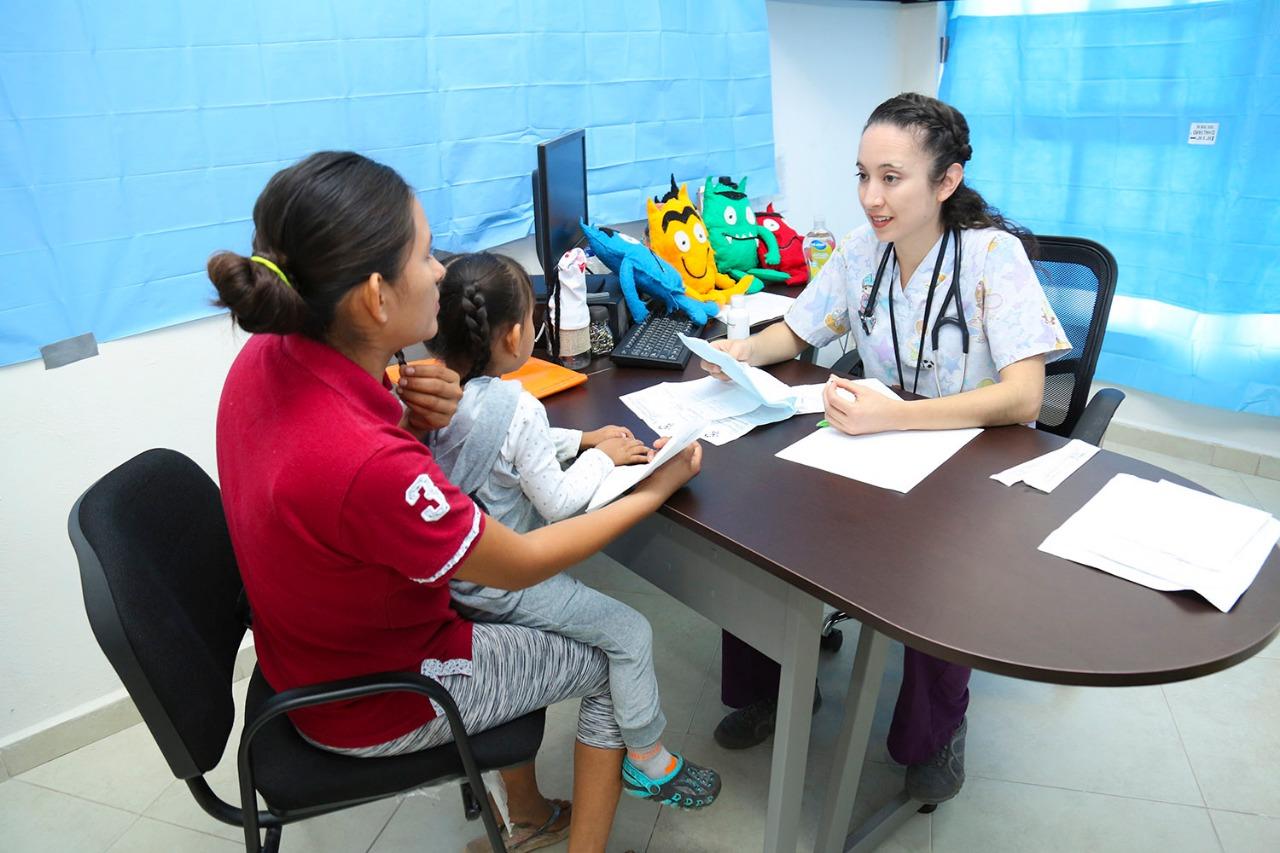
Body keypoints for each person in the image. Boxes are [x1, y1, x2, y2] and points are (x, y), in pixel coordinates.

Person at [210, 150, 702, 853]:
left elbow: (344, 498)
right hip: (378, 694)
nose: (441, 270)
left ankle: (527, 816)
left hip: (305, 653)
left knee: (554, 631)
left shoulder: (264, 357)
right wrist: (654, 488)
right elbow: (524, 560)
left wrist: (410, 414)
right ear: (377, 298)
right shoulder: (365, 461)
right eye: (426, 253)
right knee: (607, 660)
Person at [701, 93, 1071, 804]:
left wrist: (899, 418)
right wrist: (740, 349)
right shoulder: (860, 250)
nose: (872, 197)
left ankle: (934, 733)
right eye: (862, 175)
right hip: (872, 446)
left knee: (933, 577)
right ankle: (776, 685)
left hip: (972, 463)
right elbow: (802, 330)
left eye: (891, 177)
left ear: (947, 181)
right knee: (758, 522)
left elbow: (1024, 397)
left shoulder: (994, 258)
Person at [426, 251, 722, 809]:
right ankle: (648, 762)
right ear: (516, 336)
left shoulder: (433, 394)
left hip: (459, 578)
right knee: (631, 632)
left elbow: (501, 451)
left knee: (614, 626)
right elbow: (559, 505)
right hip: (508, 583)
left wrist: (581, 440)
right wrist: (605, 458)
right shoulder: (517, 407)